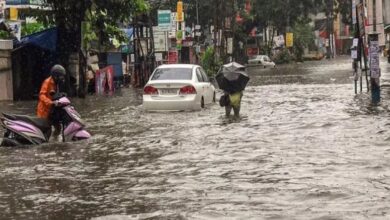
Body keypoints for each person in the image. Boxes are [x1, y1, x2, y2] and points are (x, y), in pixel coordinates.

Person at [36, 64, 66, 140]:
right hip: (44, 111)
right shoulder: (47, 82)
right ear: (56, 76)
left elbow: (54, 94)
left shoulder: (56, 83)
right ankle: (45, 143)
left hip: (52, 110)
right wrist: (50, 102)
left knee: (58, 127)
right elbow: (41, 95)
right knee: (47, 130)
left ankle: (54, 142)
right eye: (61, 76)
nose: (62, 78)